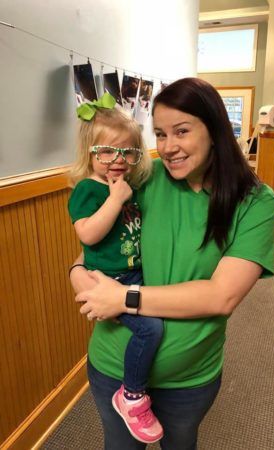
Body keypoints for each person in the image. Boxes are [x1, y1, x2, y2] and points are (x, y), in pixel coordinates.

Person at [70, 78, 274, 450]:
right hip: (113, 365)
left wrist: (124, 298)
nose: (168, 148)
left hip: (189, 378)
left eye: (181, 131)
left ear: (214, 130)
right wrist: (76, 274)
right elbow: (101, 245)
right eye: (160, 134)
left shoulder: (254, 201)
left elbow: (221, 296)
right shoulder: (144, 179)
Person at [68, 92, 164, 444]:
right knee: (150, 329)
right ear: (89, 153)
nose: (118, 160)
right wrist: (116, 199)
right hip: (112, 279)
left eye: (128, 151)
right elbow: (89, 234)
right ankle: (132, 395)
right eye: (107, 151)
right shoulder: (89, 190)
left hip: (136, 273)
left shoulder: (129, 186)